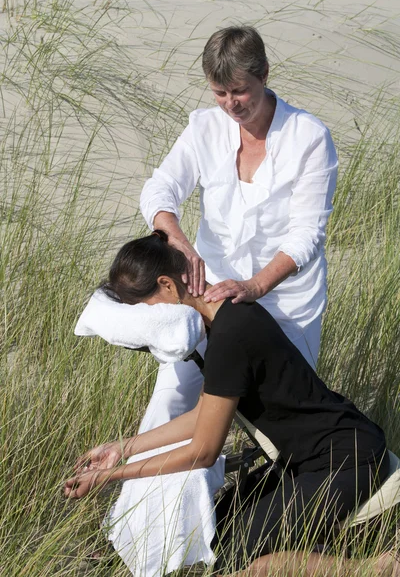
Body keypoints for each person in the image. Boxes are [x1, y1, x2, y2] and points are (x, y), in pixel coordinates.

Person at [65, 232, 399, 577]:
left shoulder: (229, 337)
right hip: (311, 456)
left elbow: (203, 451)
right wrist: (120, 448)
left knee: (236, 562)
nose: (147, 324)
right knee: (217, 527)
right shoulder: (225, 318)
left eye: (143, 311)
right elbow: (202, 417)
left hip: (345, 461)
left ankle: (379, 567)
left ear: (167, 285)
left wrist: (110, 477)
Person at [139, 26, 338, 431]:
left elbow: (307, 235)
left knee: (282, 426)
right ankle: (152, 493)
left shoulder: (310, 138)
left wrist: (254, 286)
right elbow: (160, 188)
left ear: (265, 73)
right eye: (219, 92)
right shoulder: (204, 128)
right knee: (169, 408)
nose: (231, 104)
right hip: (208, 296)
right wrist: (176, 240)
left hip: (287, 307)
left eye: (239, 90)